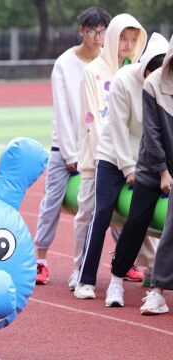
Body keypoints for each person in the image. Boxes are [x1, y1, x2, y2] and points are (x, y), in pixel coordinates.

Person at [34, 7, 111, 288]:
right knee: (51, 201)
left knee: (110, 202)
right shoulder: (64, 63)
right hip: (65, 148)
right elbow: (62, 112)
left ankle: (124, 259)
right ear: (82, 31)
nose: (97, 37)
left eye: (102, 31)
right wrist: (70, 155)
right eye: (92, 31)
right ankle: (41, 259)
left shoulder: (108, 61)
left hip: (100, 147)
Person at [74, 14, 147, 299]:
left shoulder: (144, 72)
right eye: (122, 39)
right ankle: (83, 277)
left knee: (140, 216)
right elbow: (100, 121)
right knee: (98, 212)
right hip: (105, 154)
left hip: (135, 157)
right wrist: (123, 161)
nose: (127, 45)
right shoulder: (95, 71)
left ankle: (150, 272)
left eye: (133, 39)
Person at [94, 33, 168, 307]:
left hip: (166, 162)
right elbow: (148, 133)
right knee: (137, 221)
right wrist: (136, 169)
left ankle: (158, 283)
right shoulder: (137, 85)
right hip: (149, 163)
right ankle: (116, 280)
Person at [137, 34, 173, 316]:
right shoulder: (154, 84)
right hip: (158, 166)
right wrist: (163, 172)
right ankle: (158, 292)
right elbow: (152, 134)